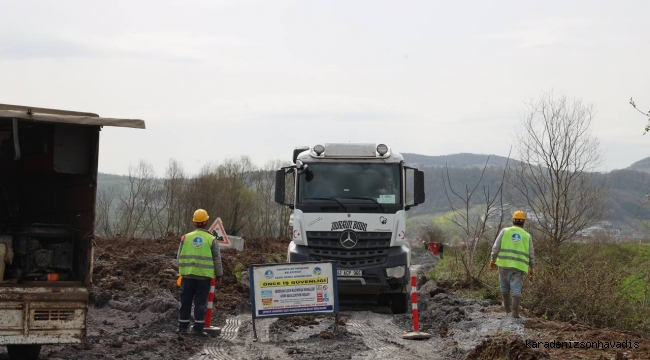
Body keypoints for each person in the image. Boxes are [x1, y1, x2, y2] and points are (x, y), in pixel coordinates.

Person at [177, 209, 223, 336]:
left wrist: (182, 271)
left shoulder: (185, 238)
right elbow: (216, 259)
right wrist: (219, 275)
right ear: (207, 222)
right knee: (200, 302)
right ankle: (198, 328)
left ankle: (182, 327)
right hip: (204, 277)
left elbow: (178, 257)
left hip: (187, 275)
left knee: (185, 301)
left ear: (194, 223)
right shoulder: (211, 239)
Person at [489, 210, 535, 318]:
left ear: (513, 220)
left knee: (504, 287)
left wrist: (492, 260)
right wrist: (532, 267)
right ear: (524, 222)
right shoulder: (527, 236)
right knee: (516, 289)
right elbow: (531, 253)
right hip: (519, 267)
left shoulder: (505, 231)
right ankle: (515, 313)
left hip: (503, 264)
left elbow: (495, 247)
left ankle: (507, 310)